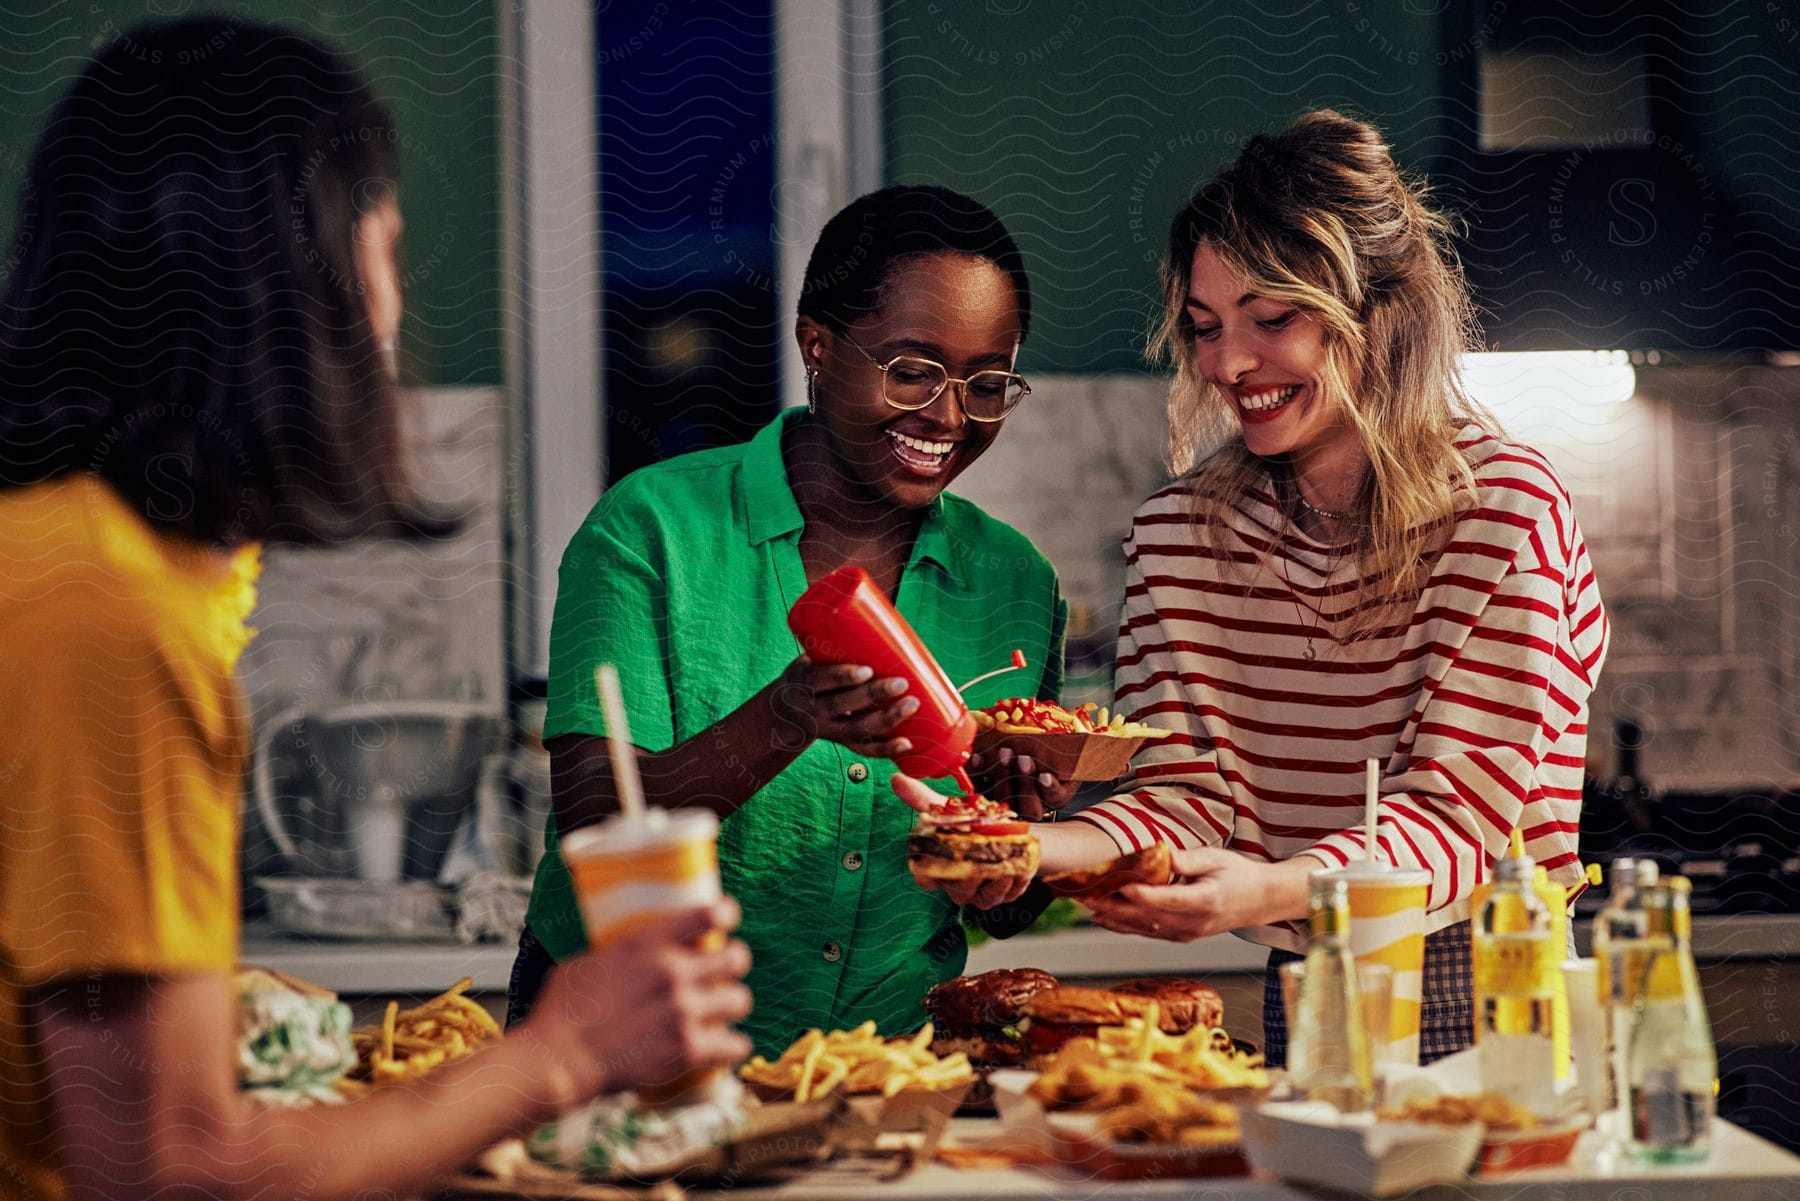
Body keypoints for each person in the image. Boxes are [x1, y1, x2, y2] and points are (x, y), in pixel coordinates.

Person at [0, 20, 750, 1201]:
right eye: (389, 248)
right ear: (300, 274)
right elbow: (165, 1173)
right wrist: (564, 1050)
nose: (399, 312)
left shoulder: (72, 551)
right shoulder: (103, 606)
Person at [897, 109, 1608, 1066]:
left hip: (1497, 985)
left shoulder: (1504, 512)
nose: (1230, 363)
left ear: (1382, 313)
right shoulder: (1182, 536)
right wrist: (1021, 850)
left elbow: (1454, 822)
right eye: (1205, 327)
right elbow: (1180, 796)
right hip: (1308, 983)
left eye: (1274, 319)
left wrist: (1264, 889)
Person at [510, 185, 1072, 1057]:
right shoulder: (651, 527)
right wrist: (784, 718)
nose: (950, 417)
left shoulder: (1015, 581)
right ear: (817, 343)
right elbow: (594, 825)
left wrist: (1013, 849)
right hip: (628, 1055)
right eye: (913, 370)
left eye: (987, 382)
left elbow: (1012, 905)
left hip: (888, 1072)